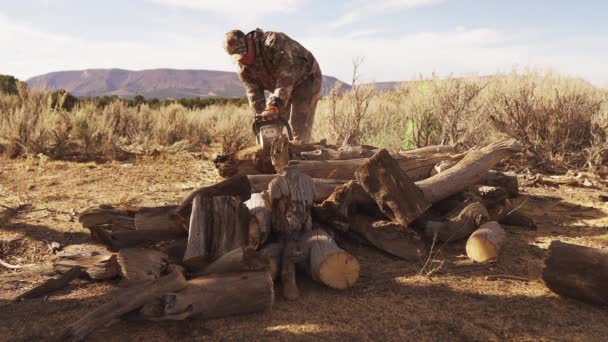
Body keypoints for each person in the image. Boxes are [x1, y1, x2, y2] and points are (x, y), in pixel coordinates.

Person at [223, 28, 322, 143]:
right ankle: (274, 154)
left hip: (306, 79)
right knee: (271, 124)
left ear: (249, 42)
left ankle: (302, 155)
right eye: (239, 58)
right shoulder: (243, 69)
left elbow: (286, 77)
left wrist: (274, 105)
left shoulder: (274, 43)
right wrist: (262, 119)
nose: (243, 60)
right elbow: (254, 96)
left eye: (244, 54)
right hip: (280, 88)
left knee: (299, 125)